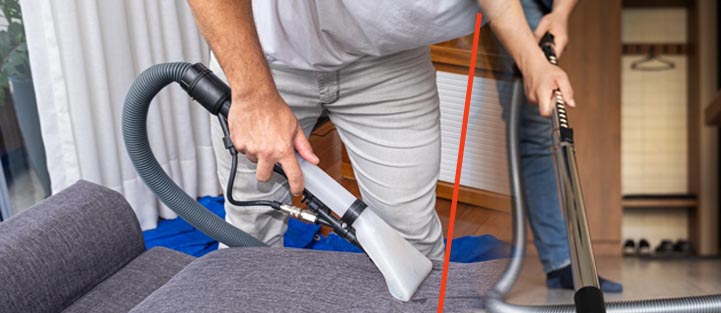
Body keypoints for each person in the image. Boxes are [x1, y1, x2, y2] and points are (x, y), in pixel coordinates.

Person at [187, 0, 576, 262]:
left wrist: (533, 61)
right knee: (248, 233)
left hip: (388, 59)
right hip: (264, 55)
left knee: (413, 244)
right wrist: (254, 96)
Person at [502, 0, 624, 292]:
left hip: (542, 7)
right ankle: (559, 262)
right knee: (533, 123)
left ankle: (560, 264)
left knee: (535, 130)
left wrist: (561, 13)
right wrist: (532, 62)